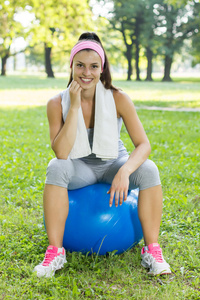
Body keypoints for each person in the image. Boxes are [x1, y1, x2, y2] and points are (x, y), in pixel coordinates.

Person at [34, 32, 171, 277]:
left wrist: (125, 171)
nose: (87, 73)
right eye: (80, 66)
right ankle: (55, 252)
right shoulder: (57, 103)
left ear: (102, 68)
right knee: (55, 165)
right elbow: (62, 152)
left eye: (93, 66)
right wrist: (74, 106)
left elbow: (143, 145)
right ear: (71, 66)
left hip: (112, 164)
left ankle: (152, 250)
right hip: (79, 167)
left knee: (149, 168)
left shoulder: (119, 98)